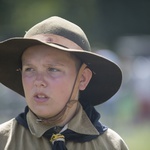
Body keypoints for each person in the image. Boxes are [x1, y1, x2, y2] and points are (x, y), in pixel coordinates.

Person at [0, 16, 129, 150]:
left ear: (83, 78)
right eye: (29, 69)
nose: (38, 81)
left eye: (53, 69)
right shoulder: (4, 141)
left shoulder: (110, 145)